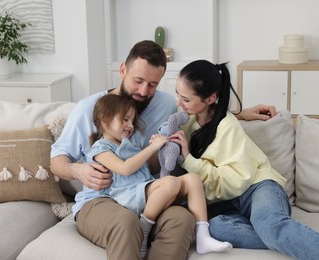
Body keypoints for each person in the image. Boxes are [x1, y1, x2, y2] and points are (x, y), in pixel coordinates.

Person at [50, 39, 277, 260]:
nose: (143, 90)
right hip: (102, 198)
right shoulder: (89, 109)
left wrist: (241, 114)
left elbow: (197, 111)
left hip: (145, 192)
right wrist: (78, 171)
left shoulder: (166, 103)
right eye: (138, 80)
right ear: (122, 70)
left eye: (152, 84)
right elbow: (57, 161)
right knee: (125, 223)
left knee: (182, 219)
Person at [169, 59, 319, 260]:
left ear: (211, 98)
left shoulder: (228, 127)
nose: (178, 102)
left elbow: (233, 181)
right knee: (215, 228)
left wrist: (188, 159)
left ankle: (276, 232)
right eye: (177, 94)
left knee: (268, 224)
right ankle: (277, 237)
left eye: (186, 99)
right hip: (227, 203)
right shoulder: (187, 119)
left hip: (257, 186)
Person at [75, 94, 232, 257]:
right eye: (125, 119)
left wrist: (161, 146)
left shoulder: (132, 143)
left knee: (193, 179)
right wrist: (151, 148)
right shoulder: (100, 148)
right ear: (104, 120)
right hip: (128, 194)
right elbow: (125, 168)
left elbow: (148, 166)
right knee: (170, 183)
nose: (130, 125)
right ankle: (144, 228)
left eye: (132, 121)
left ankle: (202, 235)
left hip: (143, 191)